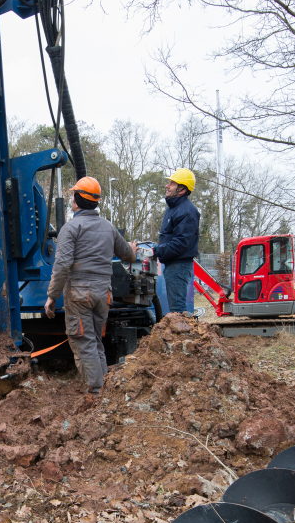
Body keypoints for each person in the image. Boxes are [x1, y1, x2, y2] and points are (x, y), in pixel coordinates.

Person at [44, 177, 137, 394]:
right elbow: (128, 255)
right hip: (104, 294)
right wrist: (132, 249)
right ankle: (105, 392)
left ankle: (96, 395)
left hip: (79, 294)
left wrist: (52, 295)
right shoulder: (109, 228)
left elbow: (62, 265)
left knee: (84, 344)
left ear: (77, 200)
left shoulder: (71, 228)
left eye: (72, 195)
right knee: (95, 342)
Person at [152, 168, 200, 314]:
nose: (167, 186)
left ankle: (184, 336)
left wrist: (155, 251)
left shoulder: (186, 211)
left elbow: (179, 244)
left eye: (172, 183)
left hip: (179, 265)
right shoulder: (175, 208)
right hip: (173, 264)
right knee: (176, 310)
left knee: (178, 310)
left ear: (182, 189)